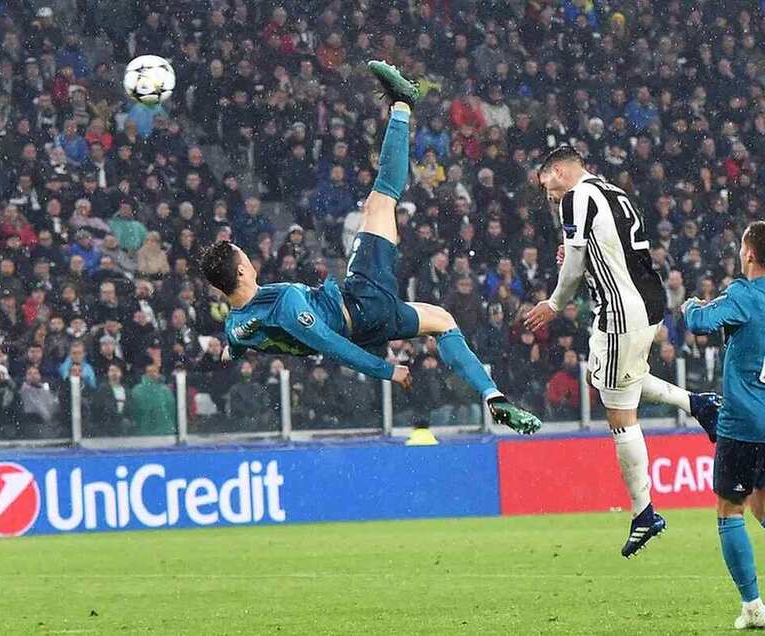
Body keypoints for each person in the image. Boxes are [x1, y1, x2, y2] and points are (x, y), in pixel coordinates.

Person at [200, 61, 540, 434]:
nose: (250, 258)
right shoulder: (287, 306)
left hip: (365, 324)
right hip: (362, 303)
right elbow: (329, 346)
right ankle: (402, 104)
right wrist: (387, 371)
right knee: (380, 201)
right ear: (243, 270)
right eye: (244, 257)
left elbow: (236, 344)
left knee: (442, 321)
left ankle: (493, 396)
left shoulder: (235, 327)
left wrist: (230, 350)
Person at [525, 145, 722, 558]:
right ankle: (698, 404)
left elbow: (577, 261)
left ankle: (644, 511)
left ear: (558, 171)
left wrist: (554, 304)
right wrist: (578, 254)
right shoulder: (611, 191)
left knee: (619, 412)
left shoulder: (576, 196)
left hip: (619, 310)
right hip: (646, 303)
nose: (546, 193)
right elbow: (613, 250)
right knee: (615, 380)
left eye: (545, 182)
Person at [684, 221, 765, 629]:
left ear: (749, 254)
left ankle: (752, 607)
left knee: (730, 510)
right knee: (762, 506)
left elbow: (699, 323)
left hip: (743, 425)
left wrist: (690, 305)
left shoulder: (742, 296)